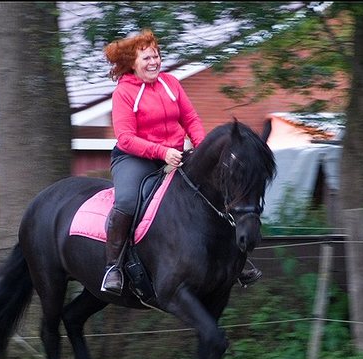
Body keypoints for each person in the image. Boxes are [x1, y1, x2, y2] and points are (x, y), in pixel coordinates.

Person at [101, 30, 261, 295]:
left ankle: (236, 261)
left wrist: (202, 149)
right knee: (127, 201)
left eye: (156, 56)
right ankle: (113, 266)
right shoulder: (124, 93)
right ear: (132, 63)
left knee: (216, 191)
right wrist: (161, 152)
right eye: (146, 58)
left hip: (175, 155)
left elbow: (191, 120)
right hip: (134, 158)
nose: (154, 62)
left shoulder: (171, 84)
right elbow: (125, 138)